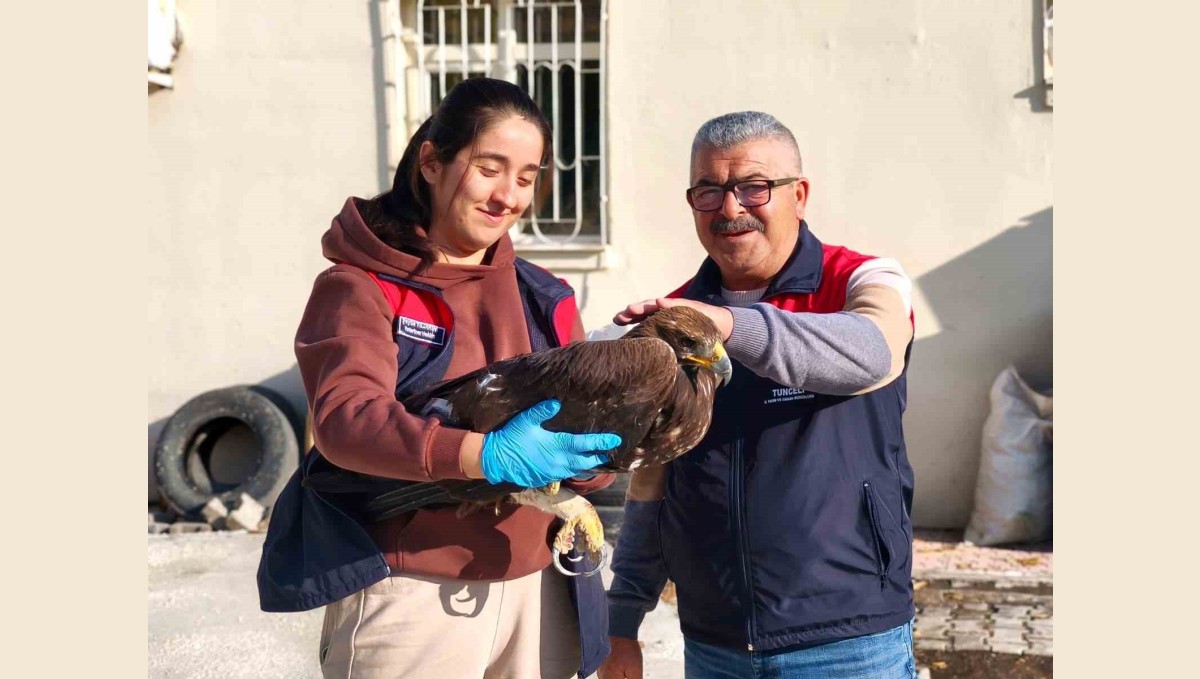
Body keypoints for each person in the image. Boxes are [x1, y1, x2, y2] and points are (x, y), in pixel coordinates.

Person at [256, 77, 623, 679]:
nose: (508, 195)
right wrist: (482, 454)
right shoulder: (360, 287)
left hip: (538, 587)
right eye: (488, 168)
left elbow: (586, 430)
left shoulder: (546, 296)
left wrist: (590, 460)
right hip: (412, 587)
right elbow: (346, 420)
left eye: (527, 177)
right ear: (431, 162)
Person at [598, 111, 918, 679]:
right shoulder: (677, 317)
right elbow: (653, 484)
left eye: (753, 187)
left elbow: (872, 353)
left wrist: (727, 325)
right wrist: (620, 620)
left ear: (800, 194)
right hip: (715, 643)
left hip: (848, 641)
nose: (730, 208)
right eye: (709, 190)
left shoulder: (864, 280)